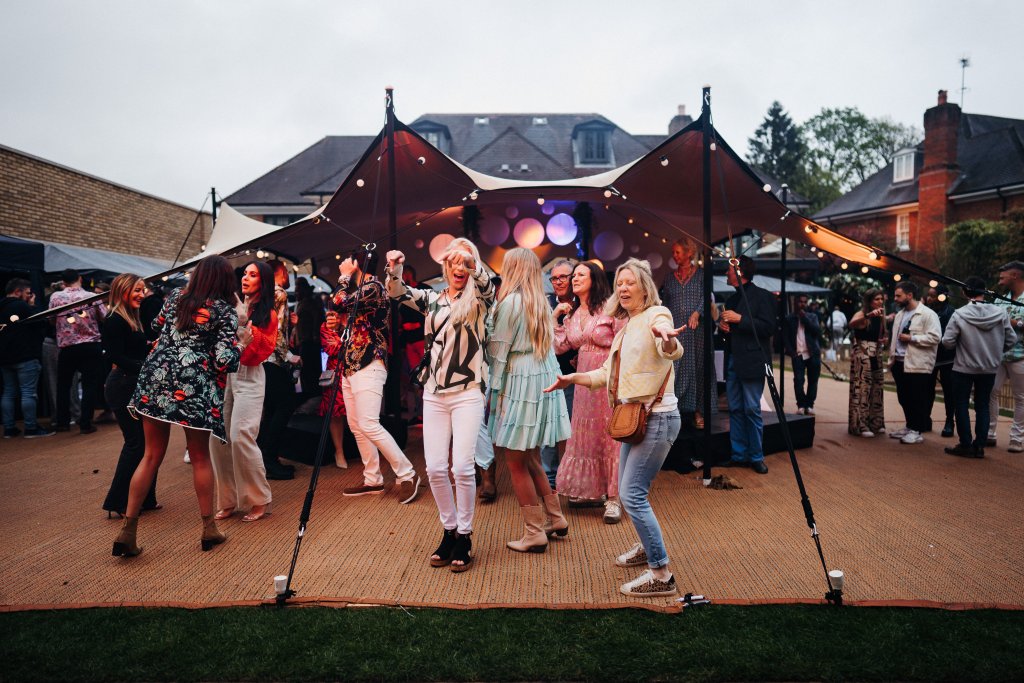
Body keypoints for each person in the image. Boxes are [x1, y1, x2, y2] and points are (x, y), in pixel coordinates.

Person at [546, 257, 685, 597]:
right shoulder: (628, 326)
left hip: (656, 418)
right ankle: (646, 547)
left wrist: (667, 340)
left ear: (644, 288)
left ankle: (661, 574)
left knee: (632, 496)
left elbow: (672, 349)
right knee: (629, 492)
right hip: (632, 419)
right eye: (619, 283)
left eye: (630, 283)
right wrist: (571, 379)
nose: (623, 288)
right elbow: (605, 373)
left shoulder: (656, 315)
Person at [111, 255, 250, 557]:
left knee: (150, 456)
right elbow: (224, 361)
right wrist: (242, 343)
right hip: (193, 386)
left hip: (156, 379)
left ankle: (128, 529)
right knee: (200, 458)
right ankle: (208, 529)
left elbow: (155, 325)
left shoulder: (175, 297)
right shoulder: (225, 312)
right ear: (226, 281)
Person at [386, 238, 495, 572]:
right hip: (434, 392)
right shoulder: (433, 299)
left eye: (465, 264)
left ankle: (465, 534)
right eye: (454, 264)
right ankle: (449, 530)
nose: (459, 269)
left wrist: (473, 264)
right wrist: (396, 267)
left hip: (467, 392)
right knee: (434, 468)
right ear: (446, 268)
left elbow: (489, 287)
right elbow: (397, 292)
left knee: (462, 467)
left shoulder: (480, 301)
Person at [487, 248, 571, 553]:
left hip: (519, 383)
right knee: (531, 457)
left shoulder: (509, 303)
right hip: (541, 379)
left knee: (515, 462)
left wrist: (492, 394)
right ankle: (556, 518)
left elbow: (498, 353)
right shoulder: (539, 302)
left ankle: (534, 532)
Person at [330, 252, 422, 503]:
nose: (343, 264)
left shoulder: (374, 287)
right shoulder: (359, 289)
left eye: (347, 260)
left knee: (369, 423)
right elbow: (341, 307)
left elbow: (337, 302)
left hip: (369, 362)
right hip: (350, 365)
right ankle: (373, 479)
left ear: (357, 263)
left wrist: (344, 276)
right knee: (357, 426)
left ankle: (407, 474)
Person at [553, 260, 625, 523]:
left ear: (594, 279)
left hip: (606, 376)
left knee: (610, 437)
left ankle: (615, 499)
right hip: (583, 380)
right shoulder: (572, 313)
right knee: (587, 434)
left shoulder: (610, 307)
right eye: (574, 276)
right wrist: (555, 317)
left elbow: (623, 339)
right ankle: (593, 490)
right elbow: (560, 346)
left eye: (580, 275)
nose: (574, 279)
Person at [211, 261, 278, 522]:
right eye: (245, 274)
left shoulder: (267, 313)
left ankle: (258, 498)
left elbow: (257, 353)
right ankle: (228, 500)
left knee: (241, 436)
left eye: (253, 275)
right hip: (226, 375)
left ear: (264, 281)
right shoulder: (231, 306)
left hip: (249, 375)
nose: (246, 278)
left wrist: (240, 322)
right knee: (218, 439)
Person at [101, 274, 159, 517]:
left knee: (147, 445)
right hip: (122, 385)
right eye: (136, 290)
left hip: (133, 383)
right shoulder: (114, 320)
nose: (141, 294)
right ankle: (117, 501)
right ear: (122, 290)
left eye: (142, 290)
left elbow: (130, 349)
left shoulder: (132, 318)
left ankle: (144, 498)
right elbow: (114, 355)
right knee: (136, 444)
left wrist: (150, 347)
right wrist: (144, 367)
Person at [941, 276, 1016, 458]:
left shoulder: (959, 314)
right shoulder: (1000, 313)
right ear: (985, 290)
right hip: (989, 368)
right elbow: (1012, 339)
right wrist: (996, 351)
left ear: (965, 292)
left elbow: (947, 342)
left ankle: (965, 444)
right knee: (983, 405)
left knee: (961, 404)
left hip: (963, 368)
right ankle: (980, 446)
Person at [719, 256, 776, 473]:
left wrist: (739, 319)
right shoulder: (732, 300)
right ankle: (739, 454)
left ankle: (756, 456)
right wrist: (725, 329)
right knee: (734, 409)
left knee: (752, 409)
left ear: (739, 271)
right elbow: (734, 330)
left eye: (728, 270)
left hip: (753, 361)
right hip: (733, 359)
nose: (726, 273)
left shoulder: (763, 296)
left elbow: (768, 328)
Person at [660, 237, 712, 430]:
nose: (674, 256)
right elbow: (664, 304)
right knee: (675, 370)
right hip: (676, 332)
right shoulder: (668, 278)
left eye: (678, 252)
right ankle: (676, 411)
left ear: (689, 253)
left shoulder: (701, 275)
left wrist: (697, 313)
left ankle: (698, 411)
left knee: (698, 369)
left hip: (696, 332)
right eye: (673, 252)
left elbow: (706, 297)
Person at [256, 260, 299, 480]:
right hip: (273, 358)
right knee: (285, 405)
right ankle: (269, 459)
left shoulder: (263, 293)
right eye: (287, 271)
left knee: (271, 408)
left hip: (262, 358)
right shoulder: (279, 292)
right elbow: (277, 331)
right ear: (280, 272)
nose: (289, 275)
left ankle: (264, 458)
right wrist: (290, 356)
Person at [48, 269, 106, 434]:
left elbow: (52, 320)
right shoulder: (90, 297)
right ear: (79, 279)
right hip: (90, 344)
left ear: (63, 282)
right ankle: (85, 423)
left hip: (67, 345)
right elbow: (104, 316)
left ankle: (62, 422)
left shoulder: (55, 297)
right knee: (89, 384)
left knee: (64, 385)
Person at [887, 281, 941, 445]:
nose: (895, 298)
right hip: (899, 362)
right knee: (904, 398)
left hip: (917, 363)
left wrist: (912, 338)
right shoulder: (899, 315)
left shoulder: (927, 314)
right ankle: (910, 426)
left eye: (899, 295)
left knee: (917, 398)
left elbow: (935, 337)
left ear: (909, 295)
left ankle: (917, 430)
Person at [540, 258, 577, 492]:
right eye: (554, 278)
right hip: (551, 376)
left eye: (564, 277)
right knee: (549, 431)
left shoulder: (586, 305)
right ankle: (549, 480)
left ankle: (576, 481)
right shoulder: (544, 305)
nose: (558, 282)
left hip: (578, 377)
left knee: (578, 431)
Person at [1, 278, 53, 438]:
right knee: (28, 392)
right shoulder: (22, 306)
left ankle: (9, 428)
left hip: (4, 357)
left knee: (8, 392)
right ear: (18, 292)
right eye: (28, 293)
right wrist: (32, 305)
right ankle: (31, 428)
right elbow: (41, 322)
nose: (30, 296)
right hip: (25, 356)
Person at [987, 261, 1024, 453]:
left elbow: (1005, 322)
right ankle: (990, 433)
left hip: (1021, 356)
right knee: (991, 392)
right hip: (999, 355)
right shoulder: (1000, 300)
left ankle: (1016, 439)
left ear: (1015, 275)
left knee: (1021, 398)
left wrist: (1012, 323)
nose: (1000, 281)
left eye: (1003, 277)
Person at [847, 288, 887, 438]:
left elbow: (881, 335)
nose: (880, 302)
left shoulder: (881, 315)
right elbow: (852, 324)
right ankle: (860, 425)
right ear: (869, 301)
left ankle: (876, 422)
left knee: (877, 388)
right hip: (863, 354)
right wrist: (868, 315)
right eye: (877, 299)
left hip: (876, 353)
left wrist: (884, 340)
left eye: (881, 299)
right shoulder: (862, 313)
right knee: (862, 388)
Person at [926, 284, 957, 437]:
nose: (928, 298)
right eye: (928, 295)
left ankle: (949, 422)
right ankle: (925, 419)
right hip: (930, 357)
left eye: (931, 296)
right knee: (927, 389)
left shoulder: (951, 313)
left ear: (941, 296)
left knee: (949, 391)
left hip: (947, 358)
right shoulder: (927, 312)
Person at [783, 294, 822, 415]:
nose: (802, 304)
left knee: (813, 380)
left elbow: (817, 331)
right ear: (795, 303)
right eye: (800, 302)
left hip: (812, 354)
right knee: (799, 381)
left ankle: (809, 405)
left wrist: (804, 318)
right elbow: (785, 338)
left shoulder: (812, 316)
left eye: (805, 302)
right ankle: (801, 404)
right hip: (798, 355)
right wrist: (791, 352)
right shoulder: (789, 319)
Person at [293, 277, 325, 402]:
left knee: (309, 371)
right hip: (304, 341)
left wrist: (315, 336)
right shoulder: (301, 303)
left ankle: (313, 399)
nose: (296, 292)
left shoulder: (310, 303)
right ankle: (309, 399)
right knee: (306, 371)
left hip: (310, 342)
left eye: (297, 289)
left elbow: (317, 318)